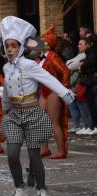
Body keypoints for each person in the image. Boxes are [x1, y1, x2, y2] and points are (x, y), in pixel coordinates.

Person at [0, 16, 74, 196]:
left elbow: (48, 79)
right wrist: (5, 107)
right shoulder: (6, 67)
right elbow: (7, 89)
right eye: (7, 45)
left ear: (21, 47)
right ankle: (19, 188)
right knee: (13, 153)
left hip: (33, 113)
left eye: (13, 46)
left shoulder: (30, 65)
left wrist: (65, 93)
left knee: (34, 155)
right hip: (15, 115)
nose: (9, 49)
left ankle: (41, 189)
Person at [38, 25, 71, 159]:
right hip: (44, 90)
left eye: (43, 40)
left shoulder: (52, 56)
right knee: (42, 121)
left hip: (52, 91)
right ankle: (44, 149)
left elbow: (65, 71)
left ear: (48, 43)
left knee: (54, 122)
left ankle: (61, 151)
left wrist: (62, 89)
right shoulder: (41, 57)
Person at [67, 38, 92, 133]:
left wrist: (73, 66)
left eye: (81, 44)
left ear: (87, 45)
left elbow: (70, 66)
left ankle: (89, 126)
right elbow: (69, 64)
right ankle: (79, 125)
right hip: (74, 84)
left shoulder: (85, 55)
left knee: (84, 106)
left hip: (80, 83)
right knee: (74, 106)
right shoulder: (79, 55)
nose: (78, 46)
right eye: (78, 44)